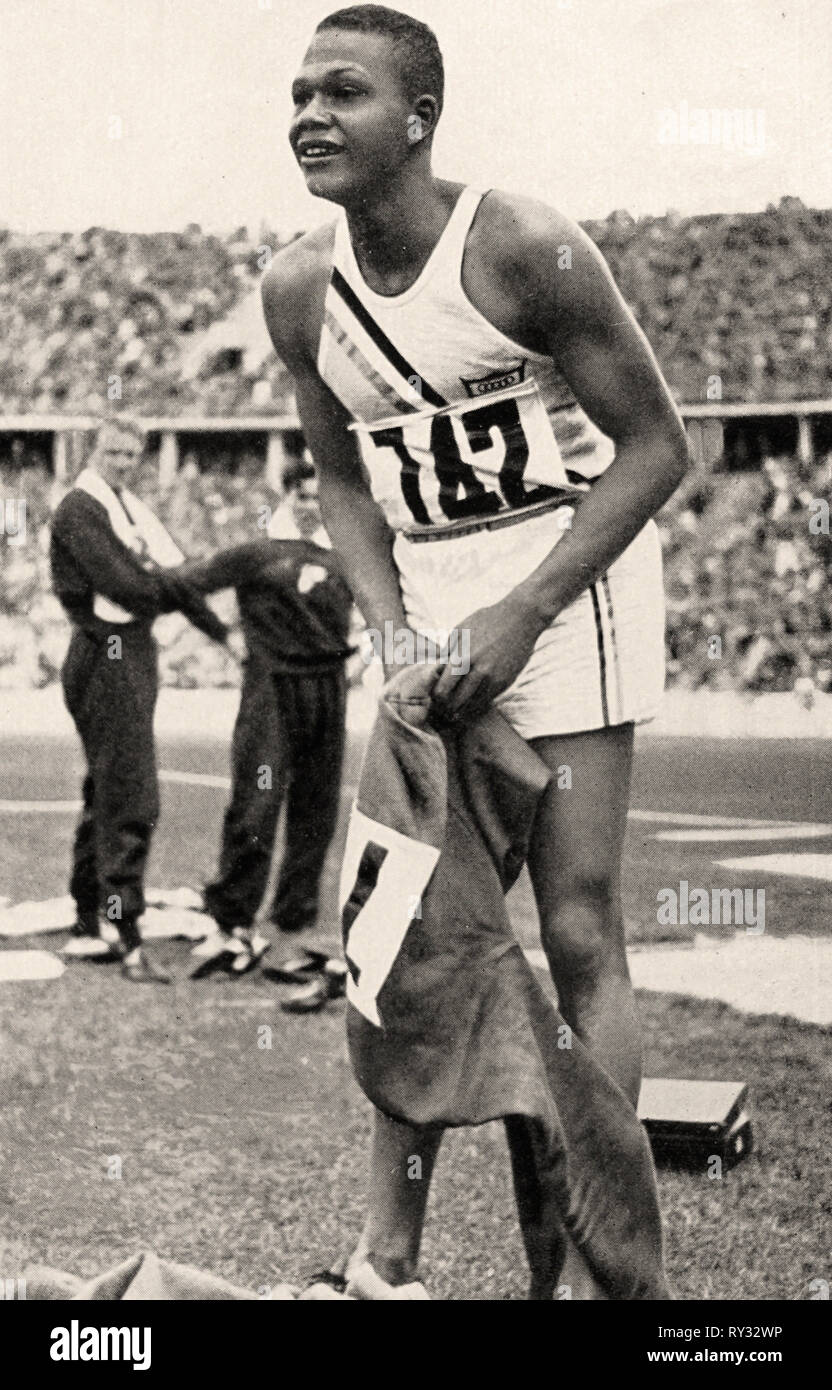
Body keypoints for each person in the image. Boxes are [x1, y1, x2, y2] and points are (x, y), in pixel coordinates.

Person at [262, 4, 689, 1297]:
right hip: (429, 607)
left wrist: (521, 616)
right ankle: (388, 1258)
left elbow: (661, 447)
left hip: (569, 581)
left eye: (345, 92)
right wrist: (396, 628)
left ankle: (592, 1270)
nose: (310, 115)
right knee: (401, 942)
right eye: (299, 93)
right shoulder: (297, 286)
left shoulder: (517, 241)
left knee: (575, 929)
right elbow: (339, 476)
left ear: (421, 118)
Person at [50, 416, 229, 984]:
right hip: (105, 654)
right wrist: (164, 583)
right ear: (93, 450)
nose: (123, 463)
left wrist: (220, 633)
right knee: (131, 794)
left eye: (131, 455)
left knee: (107, 788)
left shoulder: (127, 507)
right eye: (114, 453)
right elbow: (129, 586)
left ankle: (89, 914)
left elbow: (175, 576)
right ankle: (120, 928)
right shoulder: (82, 507)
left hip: (131, 651)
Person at [181, 459, 355, 981]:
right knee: (257, 805)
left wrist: (366, 651)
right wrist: (225, 635)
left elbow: (384, 603)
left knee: (316, 809)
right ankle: (231, 915)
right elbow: (188, 584)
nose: (311, 506)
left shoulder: (344, 552)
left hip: (329, 687)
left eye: (319, 497)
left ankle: (292, 919)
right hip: (272, 688)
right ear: (288, 496)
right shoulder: (258, 552)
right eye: (303, 496)